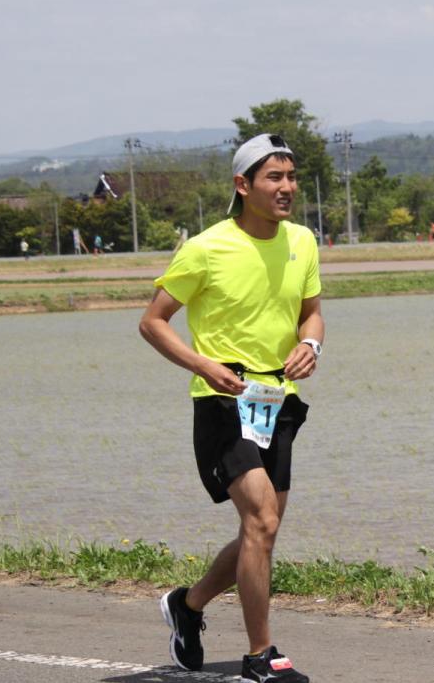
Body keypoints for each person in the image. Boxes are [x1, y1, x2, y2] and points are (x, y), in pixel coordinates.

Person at [139, 133, 324, 683]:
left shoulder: (302, 241)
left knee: (261, 530)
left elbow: (312, 313)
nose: (287, 187)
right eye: (274, 177)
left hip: (279, 401)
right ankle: (261, 654)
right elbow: (152, 322)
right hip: (223, 401)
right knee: (261, 520)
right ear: (243, 185)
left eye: (292, 177)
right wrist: (203, 366)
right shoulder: (206, 248)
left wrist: (311, 344)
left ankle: (188, 604)